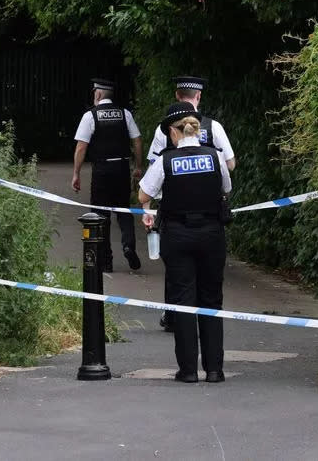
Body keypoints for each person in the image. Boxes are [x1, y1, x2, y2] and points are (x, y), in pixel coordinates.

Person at [138, 102, 231, 383]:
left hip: (177, 235)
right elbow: (226, 187)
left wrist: (150, 206)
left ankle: (188, 370)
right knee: (211, 299)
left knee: (183, 300)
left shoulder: (166, 160)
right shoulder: (215, 156)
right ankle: (214, 369)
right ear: (197, 130)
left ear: (173, 132)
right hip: (212, 234)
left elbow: (144, 195)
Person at [150, 76, 235, 331]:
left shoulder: (163, 128)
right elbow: (230, 164)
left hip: (173, 211)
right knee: (209, 277)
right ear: (198, 97)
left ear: (178, 95)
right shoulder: (215, 127)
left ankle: (174, 315)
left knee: (177, 270)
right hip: (209, 213)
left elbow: (154, 166)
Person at [72, 78, 143, 272]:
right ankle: (128, 246)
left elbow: (81, 147)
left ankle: (106, 260)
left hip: (102, 170)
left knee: (100, 214)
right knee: (124, 211)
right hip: (121, 168)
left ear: (98, 94)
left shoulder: (90, 116)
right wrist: (138, 166)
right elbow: (137, 140)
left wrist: (76, 174)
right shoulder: (125, 114)